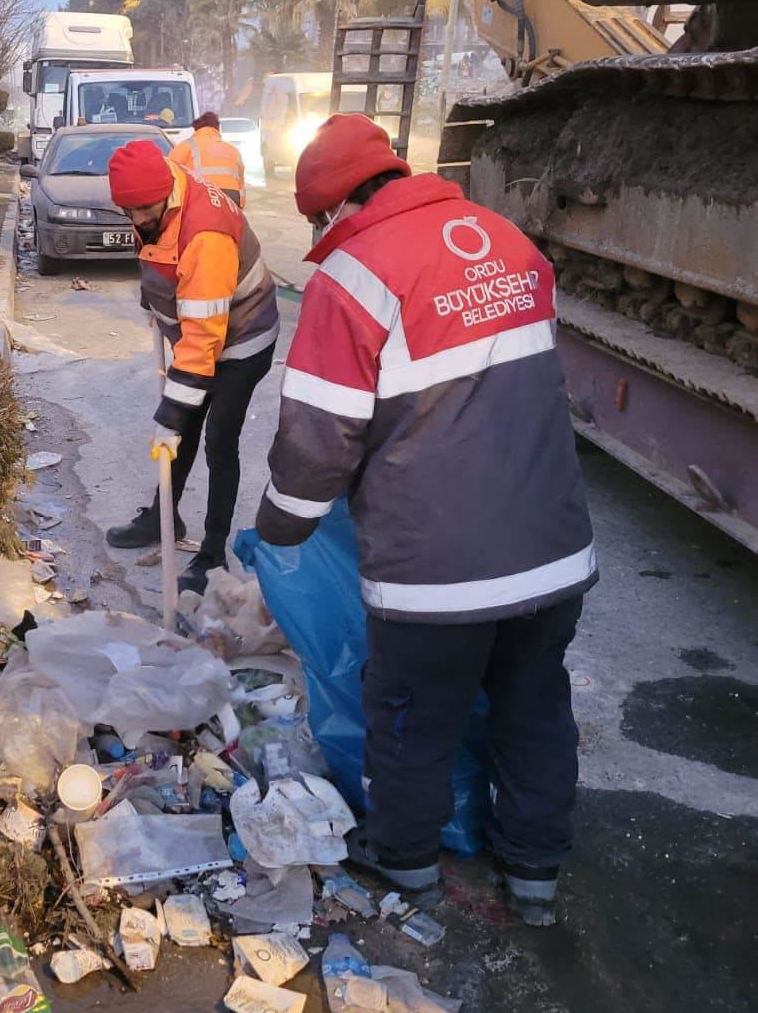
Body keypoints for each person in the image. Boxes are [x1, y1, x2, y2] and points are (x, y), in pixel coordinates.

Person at [254, 114, 596, 926]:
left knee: (409, 712)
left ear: (334, 209)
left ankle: (405, 862)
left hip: (437, 571)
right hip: (552, 552)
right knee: (534, 706)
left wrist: (279, 532)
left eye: (314, 223)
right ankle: (535, 871)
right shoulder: (507, 240)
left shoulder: (353, 276)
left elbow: (318, 440)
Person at [105, 138, 280, 593]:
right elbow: (161, 255)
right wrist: (155, 301)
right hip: (198, 337)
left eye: (145, 209)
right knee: (181, 433)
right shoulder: (162, 185)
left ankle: (212, 555)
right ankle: (164, 518)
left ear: (166, 191)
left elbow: (205, 339)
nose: (138, 219)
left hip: (242, 340)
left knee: (219, 440)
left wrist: (170, 412)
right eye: (129, 211)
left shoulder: (206, 233)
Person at [168, 111, 246, 207]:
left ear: (197, 129)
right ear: (217, 129)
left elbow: (170, 175)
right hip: (232, 198)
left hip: (202, 195)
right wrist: (239, 207)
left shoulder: (185, 146)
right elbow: (241, 186)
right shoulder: (234, 150)